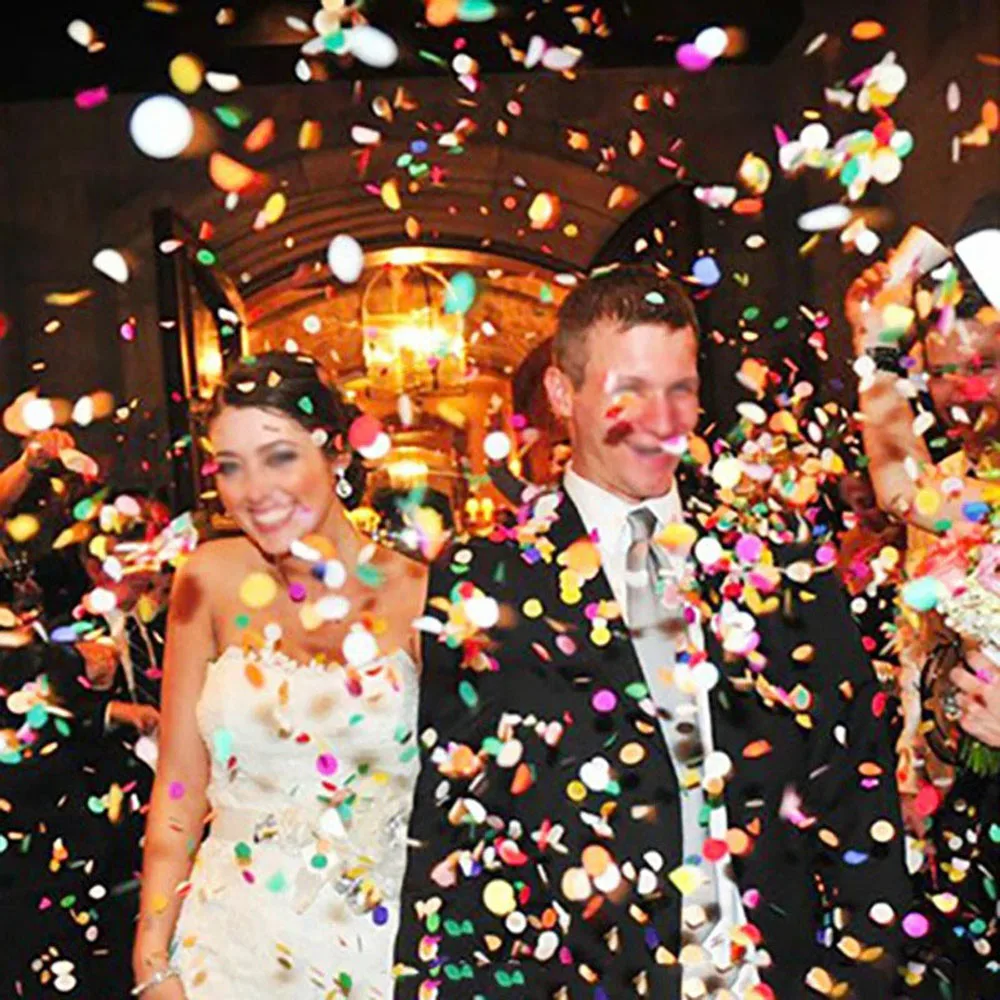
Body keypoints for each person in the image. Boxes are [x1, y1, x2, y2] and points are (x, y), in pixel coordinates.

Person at [396, 266, 908, 999]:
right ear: (563, 394)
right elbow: (458, 822)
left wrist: (870, 972)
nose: (662, 421)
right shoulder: (487, 581)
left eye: (680, 389)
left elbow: (856, 783)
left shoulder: (781, 561)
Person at [132, 351, 429, 999]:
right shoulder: (207, 578)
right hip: (225, 952)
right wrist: (152, 960)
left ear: (338, 455)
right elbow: (179, 785)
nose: (253, 491)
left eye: (280, 457)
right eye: (231, 466)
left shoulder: (418, 595)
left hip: (373, 950)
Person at [846, 231, 1000, 993]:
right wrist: (914, 775)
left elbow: (899, 488)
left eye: (987, 364)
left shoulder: (948, 495)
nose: (966, 391)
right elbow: (921, 652)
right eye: (943, 373)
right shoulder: (958, 478)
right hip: (962, 815)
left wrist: (874, 348)